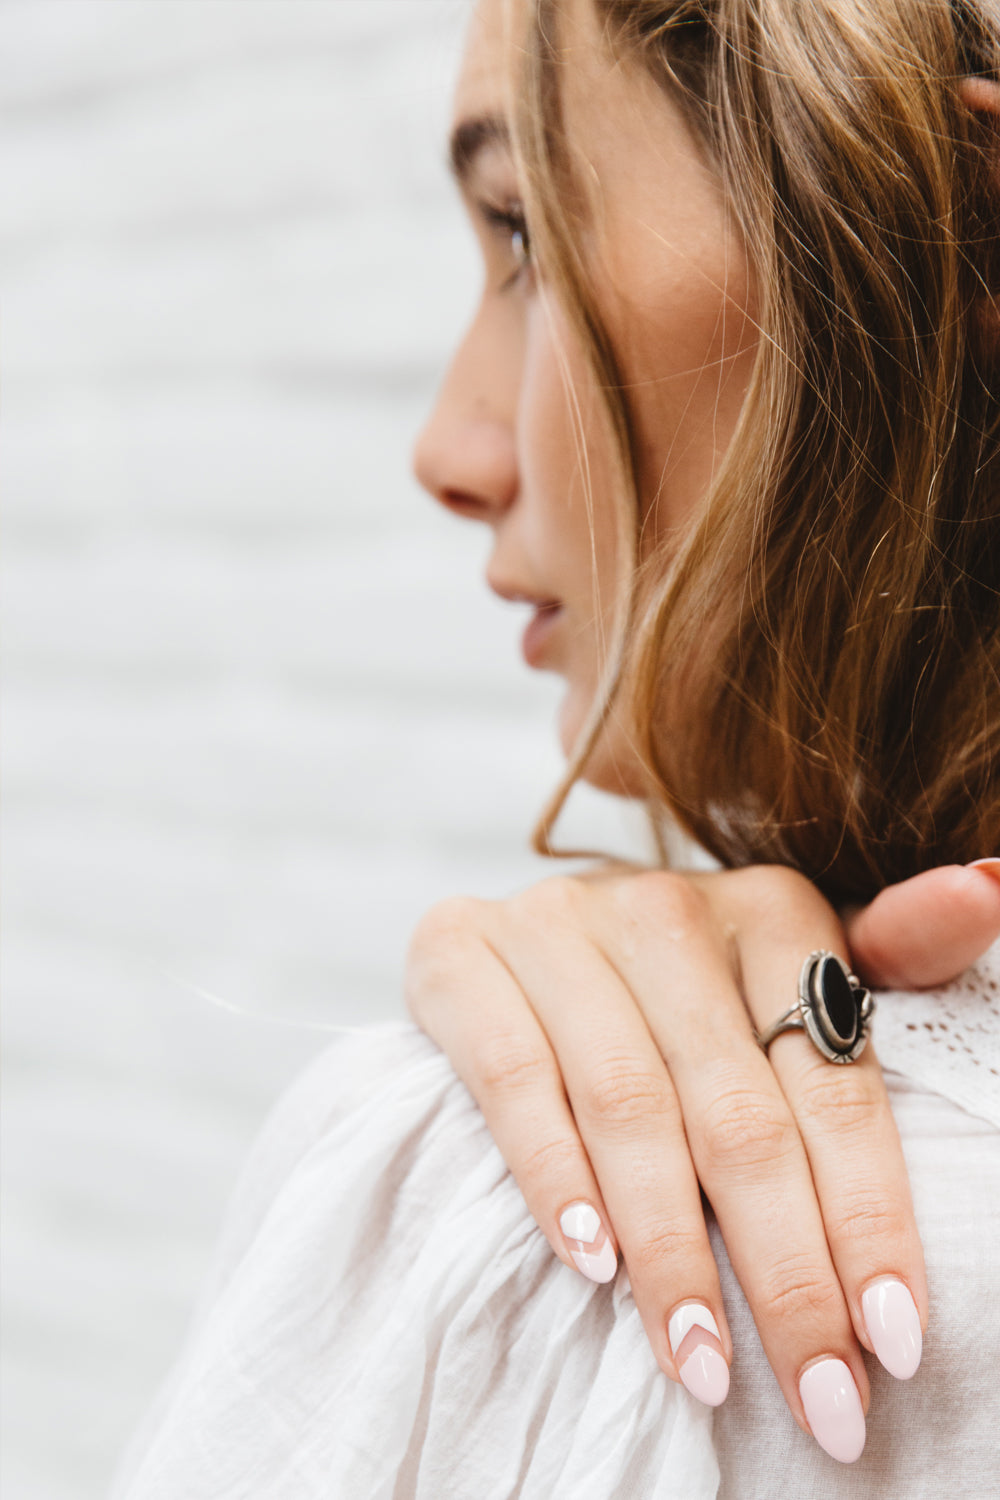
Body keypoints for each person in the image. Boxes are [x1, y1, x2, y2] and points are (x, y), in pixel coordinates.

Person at [111, 0, 1000, 1494]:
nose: (450, 451)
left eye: (523, 232)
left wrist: (433, 1166)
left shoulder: (538, 1253)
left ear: (964, 236)